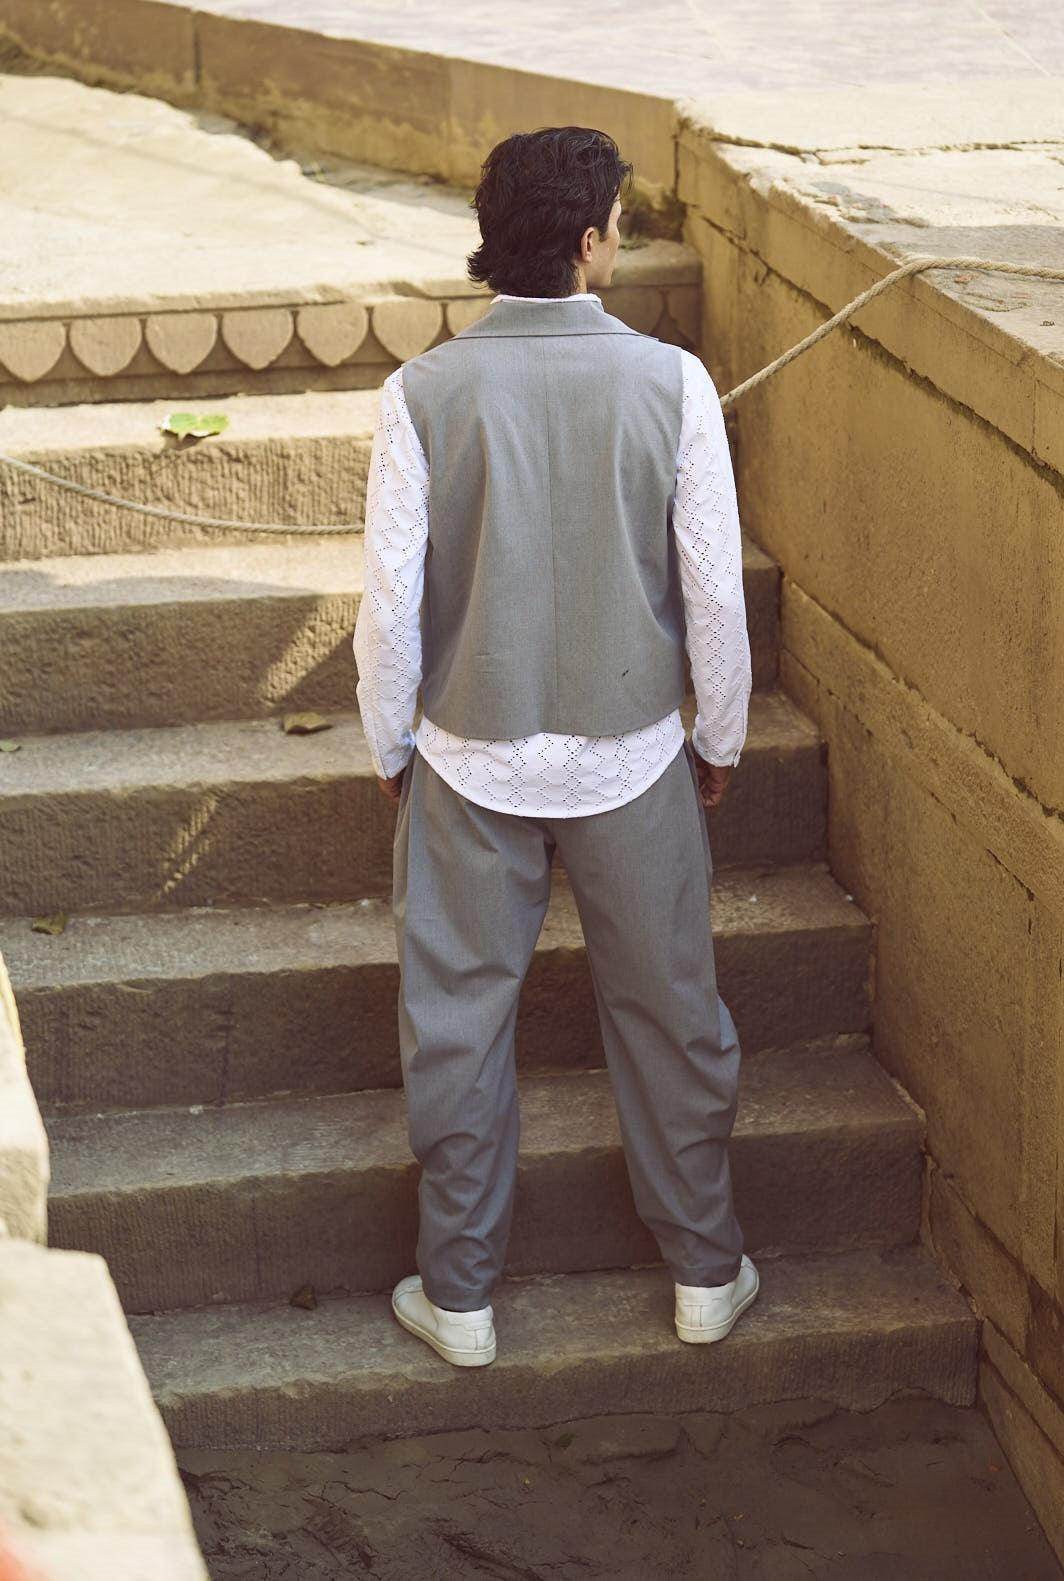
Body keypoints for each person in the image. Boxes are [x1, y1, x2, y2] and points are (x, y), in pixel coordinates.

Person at [353, 125, 758, 1369]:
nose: (620, 241)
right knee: (670, 1009)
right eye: (618, 225)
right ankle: (703, 1274)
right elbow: (712, 591)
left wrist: (390, 745)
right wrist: (719, 732)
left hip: (465, 756)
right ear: (587, 242)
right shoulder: (670, 383)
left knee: (457, 1024)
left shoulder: (420, 392)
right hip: (632, 753)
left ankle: (460, 1298)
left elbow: (388, 604)